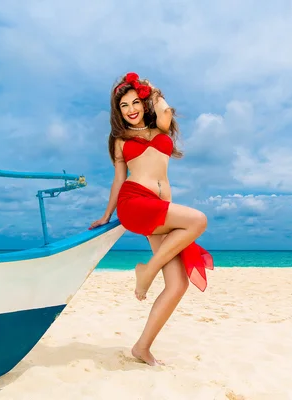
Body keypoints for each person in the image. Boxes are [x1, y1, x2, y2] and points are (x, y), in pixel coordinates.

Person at [89, 72, 214, 366]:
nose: (131, 109)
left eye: (135, 102)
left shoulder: (161, 128)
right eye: (123, 105)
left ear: (144, 102)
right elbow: (118, 180)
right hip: (134, 203)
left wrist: (151, 89)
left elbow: (166, 110)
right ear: (117, 112)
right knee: (198, 220)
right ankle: (146, 272)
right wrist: (107, 215)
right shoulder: (120, 140)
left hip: (159, 210)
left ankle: (142, 348)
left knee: (177, 285)